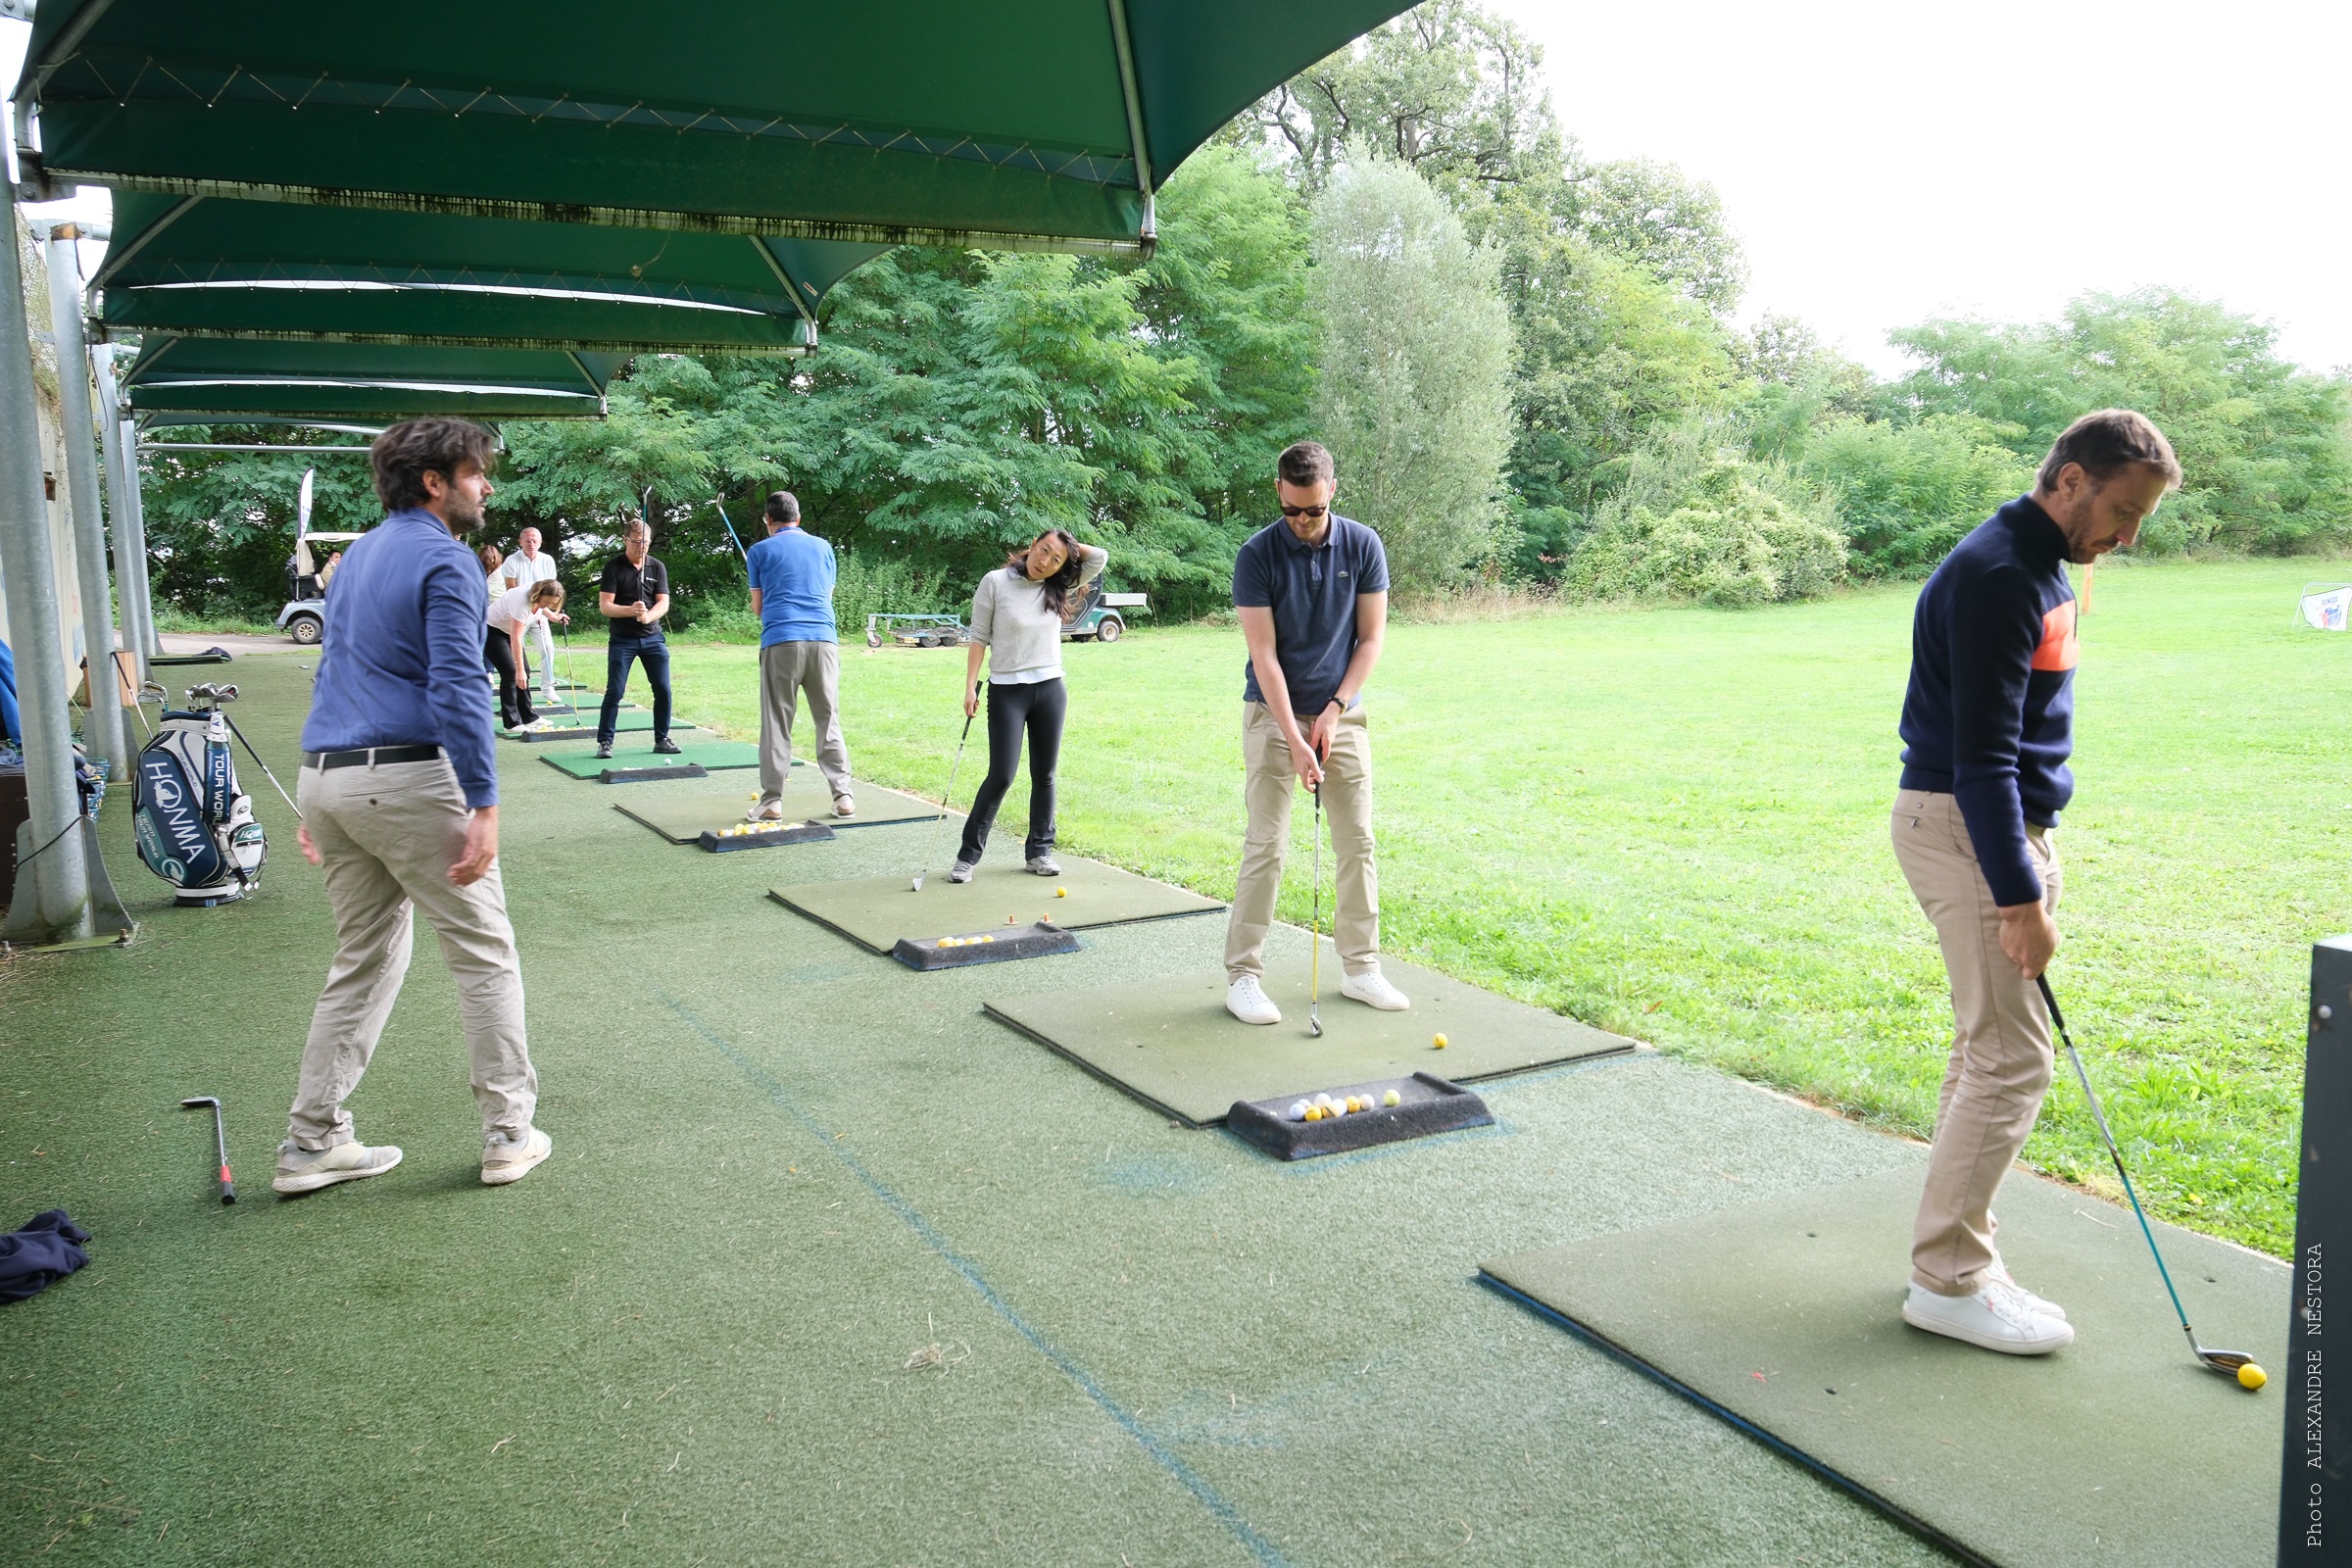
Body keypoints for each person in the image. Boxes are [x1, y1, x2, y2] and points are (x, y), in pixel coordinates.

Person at [1891, 409, 2180, 1355]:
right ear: (2068, 480)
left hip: (1994, 830)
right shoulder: (2001, 575)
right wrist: (2021, 899)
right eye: (2122, 510)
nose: (2128, 536)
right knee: (2014, 1060)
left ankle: (1961, 1258)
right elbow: (1981, 762)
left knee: (1986, 1051)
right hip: (1972, 828)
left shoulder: (2041, 565)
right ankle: (1947, 1280)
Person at [276, 416, 552, 1195]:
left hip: (328, 779)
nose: (487, 484)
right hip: (406, 779)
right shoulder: (446, 559)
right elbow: (460, 684)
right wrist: (485, 802)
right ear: (436, 482)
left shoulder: (357, 558)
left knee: (361, 963)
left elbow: (335, 670)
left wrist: (319, 799)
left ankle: (310, 1144)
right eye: (476, 472)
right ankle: (509, 1135)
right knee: (483, 955)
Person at [1222, 441, 1407, 1024]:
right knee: (1267, 846)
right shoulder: (1257, 555)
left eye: (1315, 511)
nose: (1303, 522)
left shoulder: (1363, 544)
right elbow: (1264, 653)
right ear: (1279, 491)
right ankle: (1244, 976)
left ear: (1333, 491)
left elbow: (1371, 639)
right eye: (1293, 511)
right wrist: (1296, 736)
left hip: (1341, 711)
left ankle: (1361, 968)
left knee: (1358, 842)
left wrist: (1330, 713)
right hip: (1272, 712)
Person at [948, 526, 1106, 881]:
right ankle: (967, 857)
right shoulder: (995, 582)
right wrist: (971, 688)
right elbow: (978, 638)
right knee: (1001, 775)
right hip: (1007, 691)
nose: (1045, 561)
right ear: (1032, 544)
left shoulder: (1057, 584)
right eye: (1044, 549)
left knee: (1044, 775)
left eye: (1056, 559)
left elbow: (1099, 558)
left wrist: (1067, 546)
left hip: (1050, 689)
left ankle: (1039, 852)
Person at [745, 491, 855, 821]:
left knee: (778, 722)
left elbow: (758, 607)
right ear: (798, 518)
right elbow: (826, 594)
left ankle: (772, 802)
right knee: (828, 718)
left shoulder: (759, 551)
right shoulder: (823, 547)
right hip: (824, 641)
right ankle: (843, 796)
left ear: (768, 520)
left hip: (781, 642)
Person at [595, 518, 677, 760]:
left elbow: (663, 602)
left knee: (663, 689)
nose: (642, 547)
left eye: (646, 542)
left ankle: (662, 739)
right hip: (623, 640)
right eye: (637, 542)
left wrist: (648, 617)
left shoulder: (656, 567)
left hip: (653, 638)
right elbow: (605, 606)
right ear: (626, 540)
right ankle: (605, 742)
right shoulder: (613, 567)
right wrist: (631, 610)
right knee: (615, 691)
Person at [486, 579, 565, 733]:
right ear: (538, 594)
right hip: (491, 630)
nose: (548, 605)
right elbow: (516, 637)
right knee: (511, 673)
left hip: (507, 632)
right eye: (547, 602)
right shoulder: (521, 601)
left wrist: (554, 617)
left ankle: (529, 718)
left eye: (552, 603)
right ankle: (511, 723)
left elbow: (541, 608)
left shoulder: (540, 600)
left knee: (525, 672)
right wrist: (519, 669)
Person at [500, 525, 564, 706]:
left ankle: (548, 687)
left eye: (535, 541)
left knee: (548, 648)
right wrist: (547, 613)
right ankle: (518, 691)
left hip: (540, 612)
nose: (531, 544)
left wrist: (550, 615)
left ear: (540, 542)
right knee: (516, 650)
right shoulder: (511, 561)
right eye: (527, 540)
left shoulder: (547, 560)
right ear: (520, 542)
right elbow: (512, 592)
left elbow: (551, 591)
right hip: (518, 611)